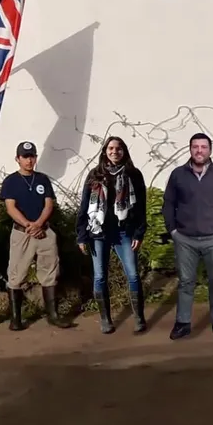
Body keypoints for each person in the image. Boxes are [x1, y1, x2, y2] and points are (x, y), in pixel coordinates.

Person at [162, 133, 213, 341]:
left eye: (203, 147)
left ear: (210, 150)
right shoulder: (178, 175)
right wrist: (173, 230)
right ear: (190, 149)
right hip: (185, 238)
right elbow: (168, 203)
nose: (199, 151)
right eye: (195, 147)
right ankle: (183, 323)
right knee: (186, 282)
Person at [75, 136, 148, 335]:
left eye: (118, 148)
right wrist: (81, 235)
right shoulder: (95, 175)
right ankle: (105, 320)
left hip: (124, 232)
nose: (114, 151)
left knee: (133, 275)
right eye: (111, 148)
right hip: (98, 233)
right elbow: (84, 207)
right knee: (99, 277)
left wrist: (139, 232)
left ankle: (139, 318)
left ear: (124, 151)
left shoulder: (133, 174)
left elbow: (141, 206)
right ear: (105, 151)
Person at [1, 141, 73, 331]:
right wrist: (28, 225)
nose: (29, 160)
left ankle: (53, 315)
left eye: (32, 156)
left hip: (44, 231)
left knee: (49, 272)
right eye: (25, 156)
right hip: (21, 232)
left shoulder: (42, 179)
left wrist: (39, 224)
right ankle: (16, 318)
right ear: (18, 159)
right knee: (16, 274)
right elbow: (10, 207)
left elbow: (48, 204)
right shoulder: (11, 181)